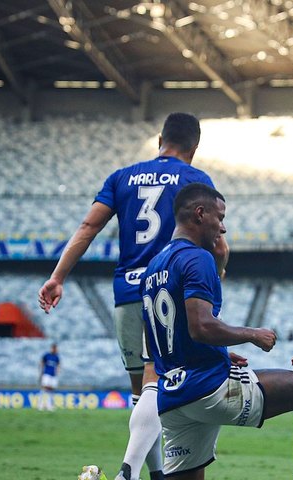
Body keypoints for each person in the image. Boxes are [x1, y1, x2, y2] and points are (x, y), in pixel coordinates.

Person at [38, 113, 228, 480]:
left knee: (142, 391)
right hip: (169, 291)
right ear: (194, 147)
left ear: (159, 139)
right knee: (161, 384)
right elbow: (217, 242)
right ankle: (129, 471)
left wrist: (57, 277)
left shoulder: (121, 177)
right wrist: (218, 273)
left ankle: (156, 474)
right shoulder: (195, 180)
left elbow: (89, 226)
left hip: (126, 291)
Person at [142, 183, 293, 479]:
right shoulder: (197, 257)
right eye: (220, 218)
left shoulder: (153, 267)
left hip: (172, 397)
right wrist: (253, 334)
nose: (223, 227)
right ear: (200, 214)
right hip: (208, 388)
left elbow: (162, 337)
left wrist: (218, 351)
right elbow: (201, 327)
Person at [39, 343, 60, 411]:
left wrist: (57, 371)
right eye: (55, 348)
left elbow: (58, 365)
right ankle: (40, 405)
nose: (56, 350)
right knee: (44, 389)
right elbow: (42, 362)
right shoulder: (47, 355)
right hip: (46, 374)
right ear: (52, 348)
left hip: (53, 375)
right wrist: (41, 371)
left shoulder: (56, 357)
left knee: (51, 390)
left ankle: (49, 405)